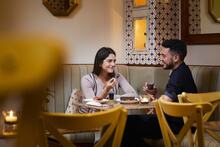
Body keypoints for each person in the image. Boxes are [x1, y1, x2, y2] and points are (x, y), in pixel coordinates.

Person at [122, 39, 198, 147]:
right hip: (179, 121)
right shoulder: (182, 70)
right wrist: (154, 96)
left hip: (179, 124)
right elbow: (170, 98)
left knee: (125, 123)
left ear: (176, 58)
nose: (161, 59)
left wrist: (152, 101)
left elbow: (165, 101)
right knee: (130, 123)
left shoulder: (179, 74)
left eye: (164, 56)